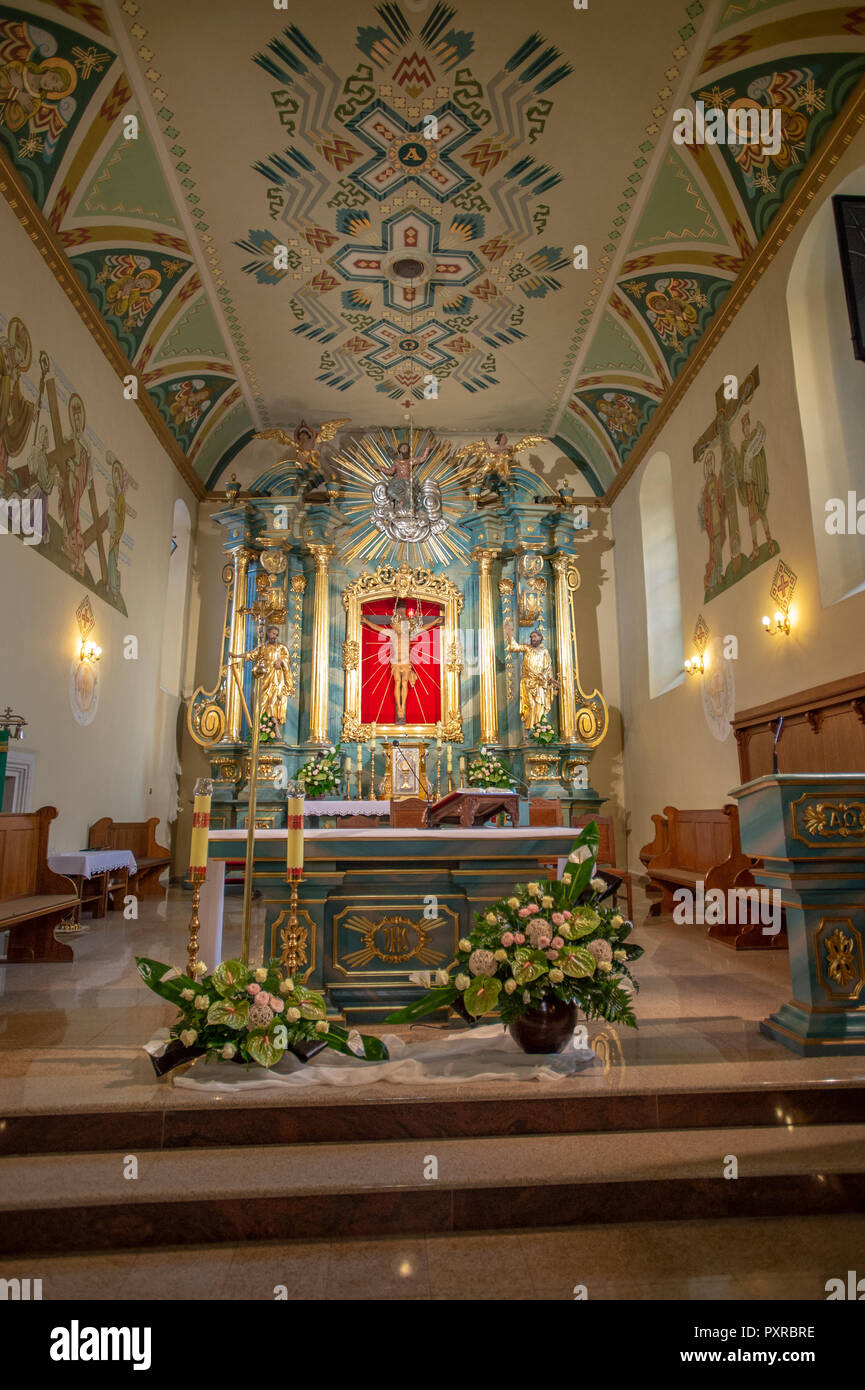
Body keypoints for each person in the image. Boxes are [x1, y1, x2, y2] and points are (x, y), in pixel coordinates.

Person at [505, 624, 557, 729]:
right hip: (528, 682)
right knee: (530, 706)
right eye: (532, 637)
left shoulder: (544, 652)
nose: (533, 639)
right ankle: (527, 730)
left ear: (540, 638)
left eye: (535, 636)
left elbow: (548, 668)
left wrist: (552, 679)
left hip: (540, 683)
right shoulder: (527, 648)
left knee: (540, 707)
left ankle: (540, 731)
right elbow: (514, 647)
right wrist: (509, 633)